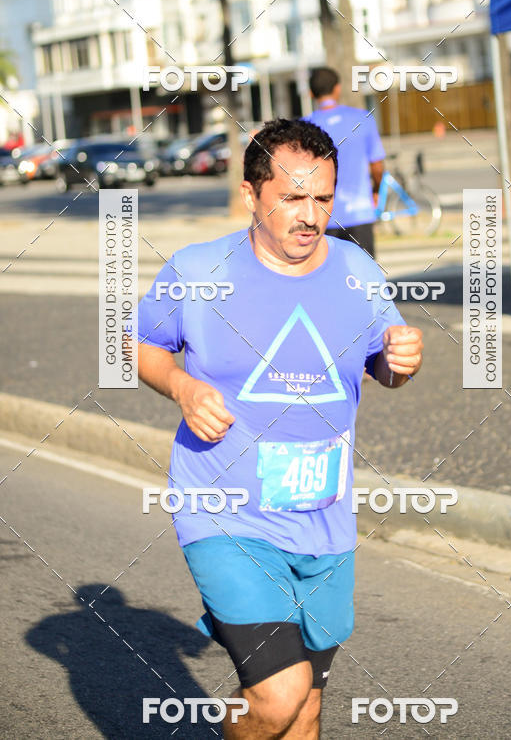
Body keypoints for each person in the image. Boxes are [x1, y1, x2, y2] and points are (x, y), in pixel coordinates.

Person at [137, 119, 423, 739]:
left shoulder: (358, 270)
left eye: (322, 198)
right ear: (251, 195)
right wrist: (184, 387)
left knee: (307, 708)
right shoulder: (198, 269)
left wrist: (401, 363)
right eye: (292, 198)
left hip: (325, 519)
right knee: (279, 694)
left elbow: (382, 368)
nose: (310, 216)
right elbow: (139, 347)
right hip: (226, 510)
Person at [305, 66, 385, 259]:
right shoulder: (363, 118)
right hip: (360, 213)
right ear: (337, 89)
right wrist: (376, 190)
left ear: (310, 93)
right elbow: (377, 165)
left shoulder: (304, 127)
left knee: (329, 282)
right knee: (364, 279)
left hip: (321, 217)